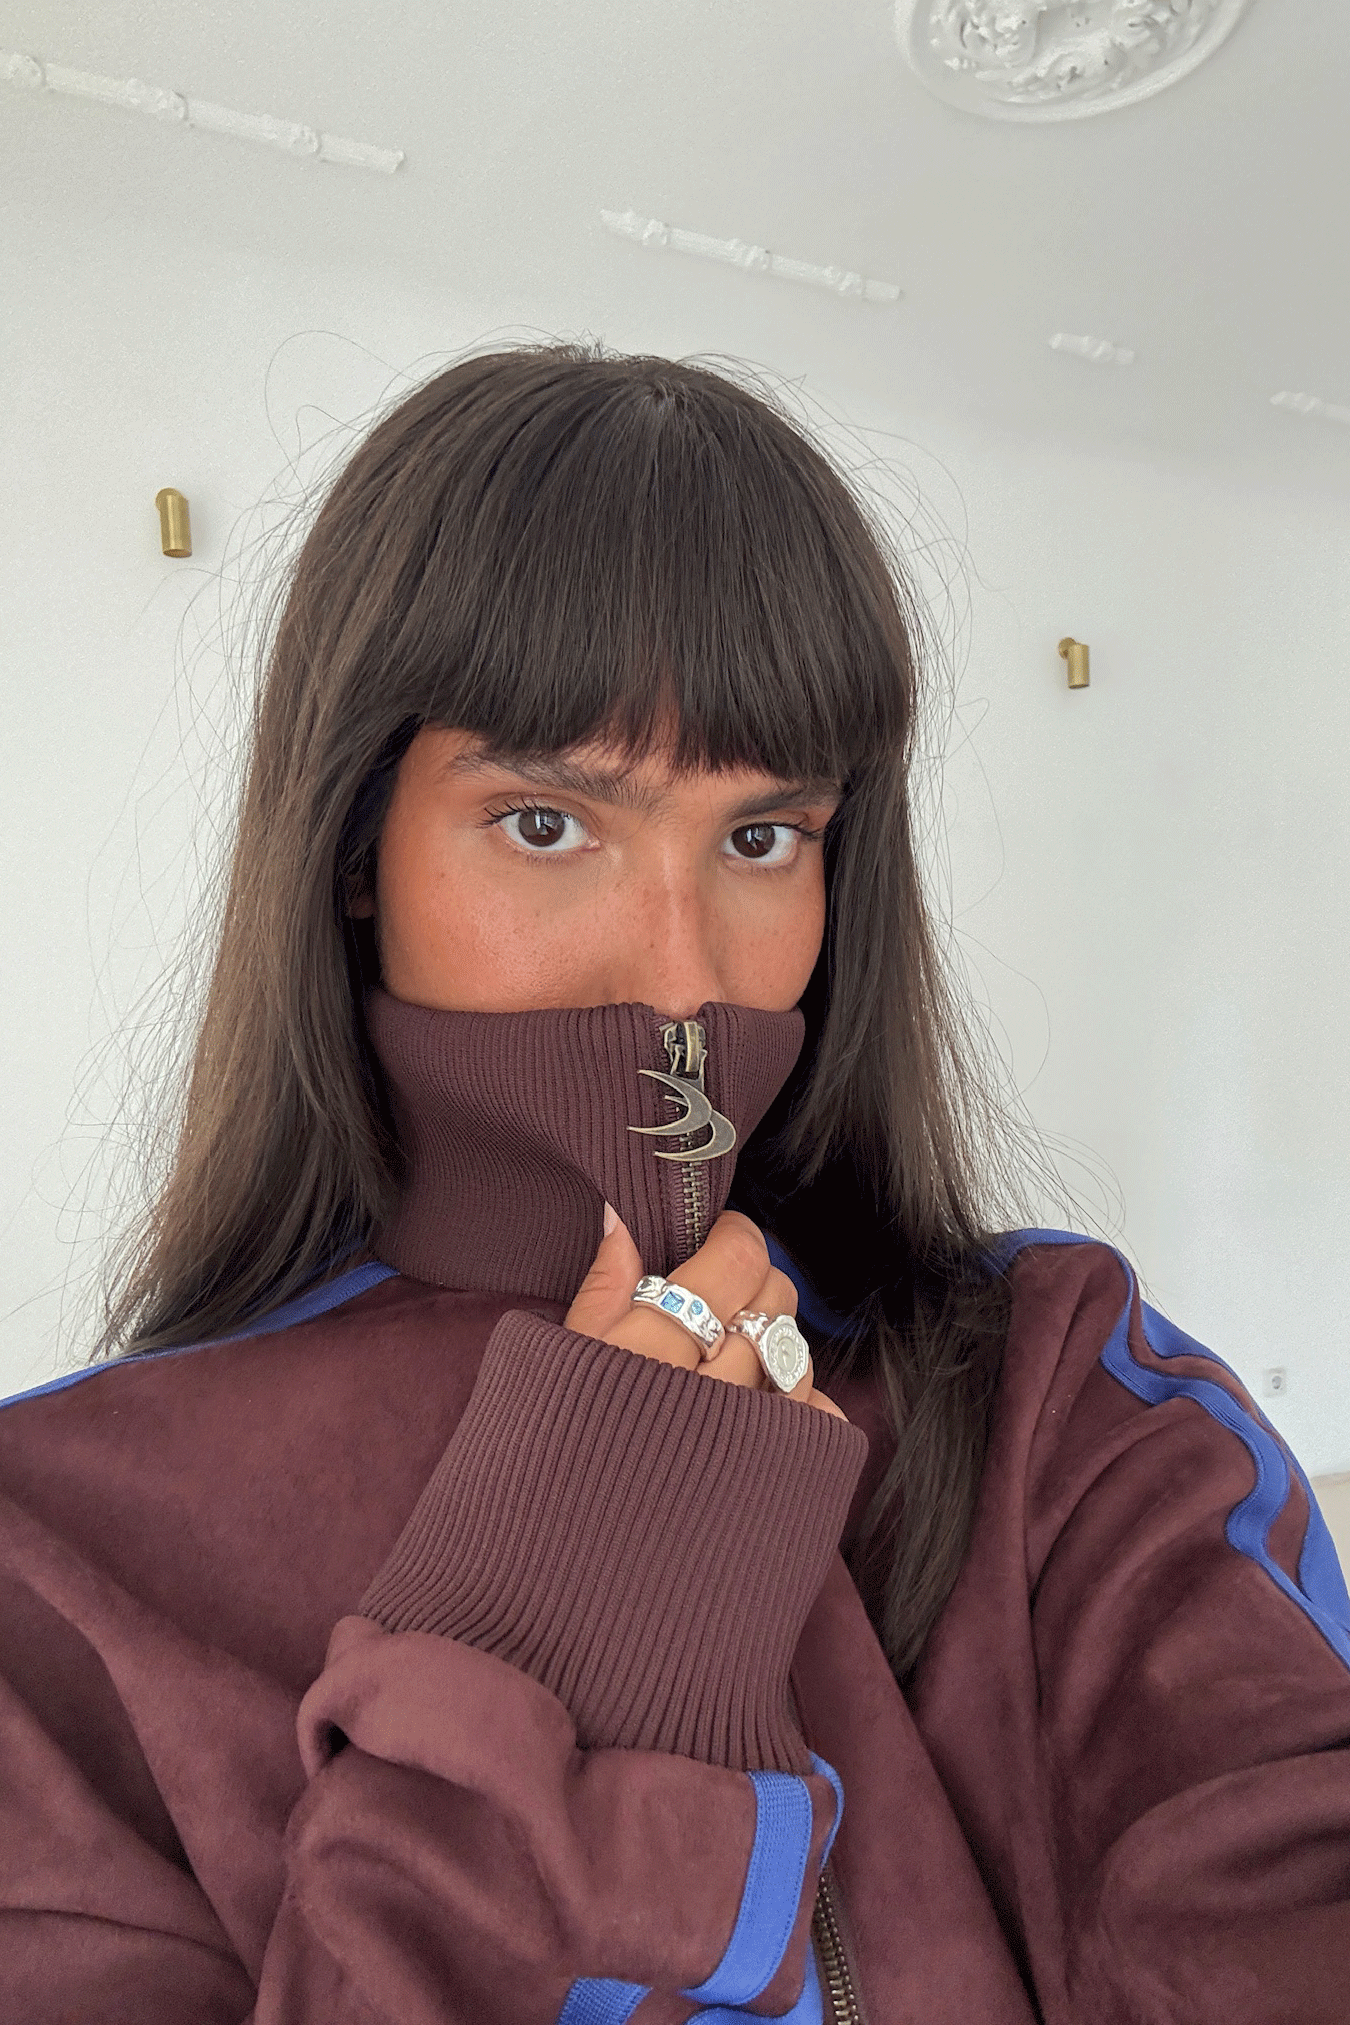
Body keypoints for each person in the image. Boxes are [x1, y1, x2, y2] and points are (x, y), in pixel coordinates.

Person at [2, 345, 1347, 2025]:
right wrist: (544, 1651)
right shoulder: (55, 1554)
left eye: (761, 838)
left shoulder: (1062, 1389)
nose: (680, 971)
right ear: (354, 851)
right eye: (545, 823)